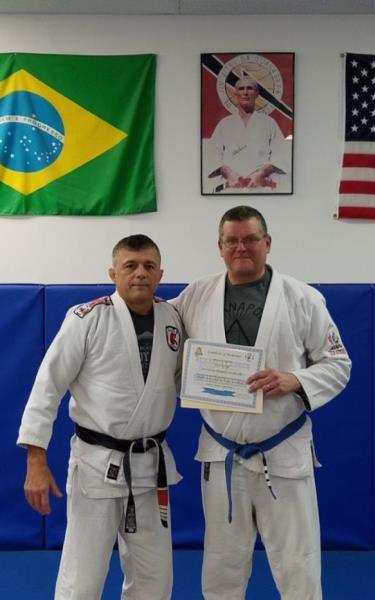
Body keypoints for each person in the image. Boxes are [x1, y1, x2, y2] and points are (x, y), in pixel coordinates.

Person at [172, 206, 351, 600]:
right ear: (220, 247)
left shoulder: (303, 298)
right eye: (232, 241)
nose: (241, 247)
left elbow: (339, 364)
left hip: (282, 452)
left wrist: (295, 380)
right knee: (221, 563)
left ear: (267, 243)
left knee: (297, 562)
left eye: (251, 239)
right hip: (221, 453)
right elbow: (165, 340)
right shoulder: (195, 296)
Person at [17, 234, 183, 600]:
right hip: (97, 465)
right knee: (83, 577)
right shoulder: (86, 318)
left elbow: (183, 378)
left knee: (155, 579)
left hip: (150, 466)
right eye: (130, 265)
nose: (140, 273)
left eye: (149, 266)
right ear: (113, 273)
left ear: (160, 274)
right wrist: (35, 459)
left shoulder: (173, 317)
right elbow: (47, 387)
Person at [205, 77, 291, 193]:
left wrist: (262, 173)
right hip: (231, 185)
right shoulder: (224, 124)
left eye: (250, 88)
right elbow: (212, 155)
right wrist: (229, 173)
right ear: (236, 94)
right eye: (241, 89)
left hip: (261, 185)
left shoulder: (269, 123)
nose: (245, 92)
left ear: (257, 94)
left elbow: (281, 154)